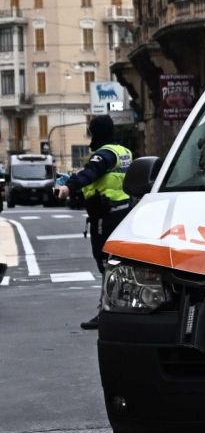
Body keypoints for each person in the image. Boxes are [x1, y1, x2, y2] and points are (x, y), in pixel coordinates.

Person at [54, 115, 135, 330]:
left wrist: (68, 187)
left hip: (106, 217)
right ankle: (124, 307)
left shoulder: (104, 154)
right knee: (121, 263)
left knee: (106, 264)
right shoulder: (124, 152)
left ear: (95, 132)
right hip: (125, 213)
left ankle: (106, 312)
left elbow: (90, 173)